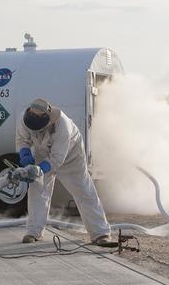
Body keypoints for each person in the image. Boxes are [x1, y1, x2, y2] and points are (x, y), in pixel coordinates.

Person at [15, 98, 118, 247]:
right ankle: (33, 231)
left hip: (71, 157)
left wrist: (39, 169)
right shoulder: (24, 120)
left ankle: (100, 233)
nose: (36, 133)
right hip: (43, 154)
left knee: (83, 190)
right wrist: (25, 156)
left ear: (48, 122)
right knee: (37, 190)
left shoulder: (63, 126)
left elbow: (57, 158)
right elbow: (22, 140)